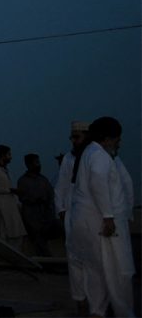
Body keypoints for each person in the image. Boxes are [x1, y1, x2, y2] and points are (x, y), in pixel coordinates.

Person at [69, 116, 134, 318]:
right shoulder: (98, 155)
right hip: (102, 224)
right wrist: (108, 217)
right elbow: (98, 182)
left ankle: (97, 311)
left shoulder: (90, 153)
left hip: (88, 223)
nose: (119, 143)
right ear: (107, 139)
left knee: (96, 272)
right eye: (117, 139)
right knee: (117, 273)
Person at [52, 120, 89, 314]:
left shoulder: (95, 158)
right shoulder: (68, 159)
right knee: (75, 261)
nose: (73, 141)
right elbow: (61, 187)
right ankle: (80, 300)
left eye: (77, 137)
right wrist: (62, 211)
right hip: (73, 219)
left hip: (92, 219)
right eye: (72, 137)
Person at [15, 153, 55, 256]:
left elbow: (51, 196)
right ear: (29, 164)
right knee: (39, 240)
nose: (38, 165)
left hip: (46, 216)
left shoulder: (43, 180)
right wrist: (35, 200)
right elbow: (23, 198)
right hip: (32, 218)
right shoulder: (23, 181)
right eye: (36, 162)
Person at [0, 144, 26, 247]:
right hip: (1, 208)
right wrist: (11, 190)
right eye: (9, 154)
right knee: (3, 235)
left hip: (8, 207)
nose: (11, 157)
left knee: (15, 235)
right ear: (2, 155)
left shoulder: (3, 170)